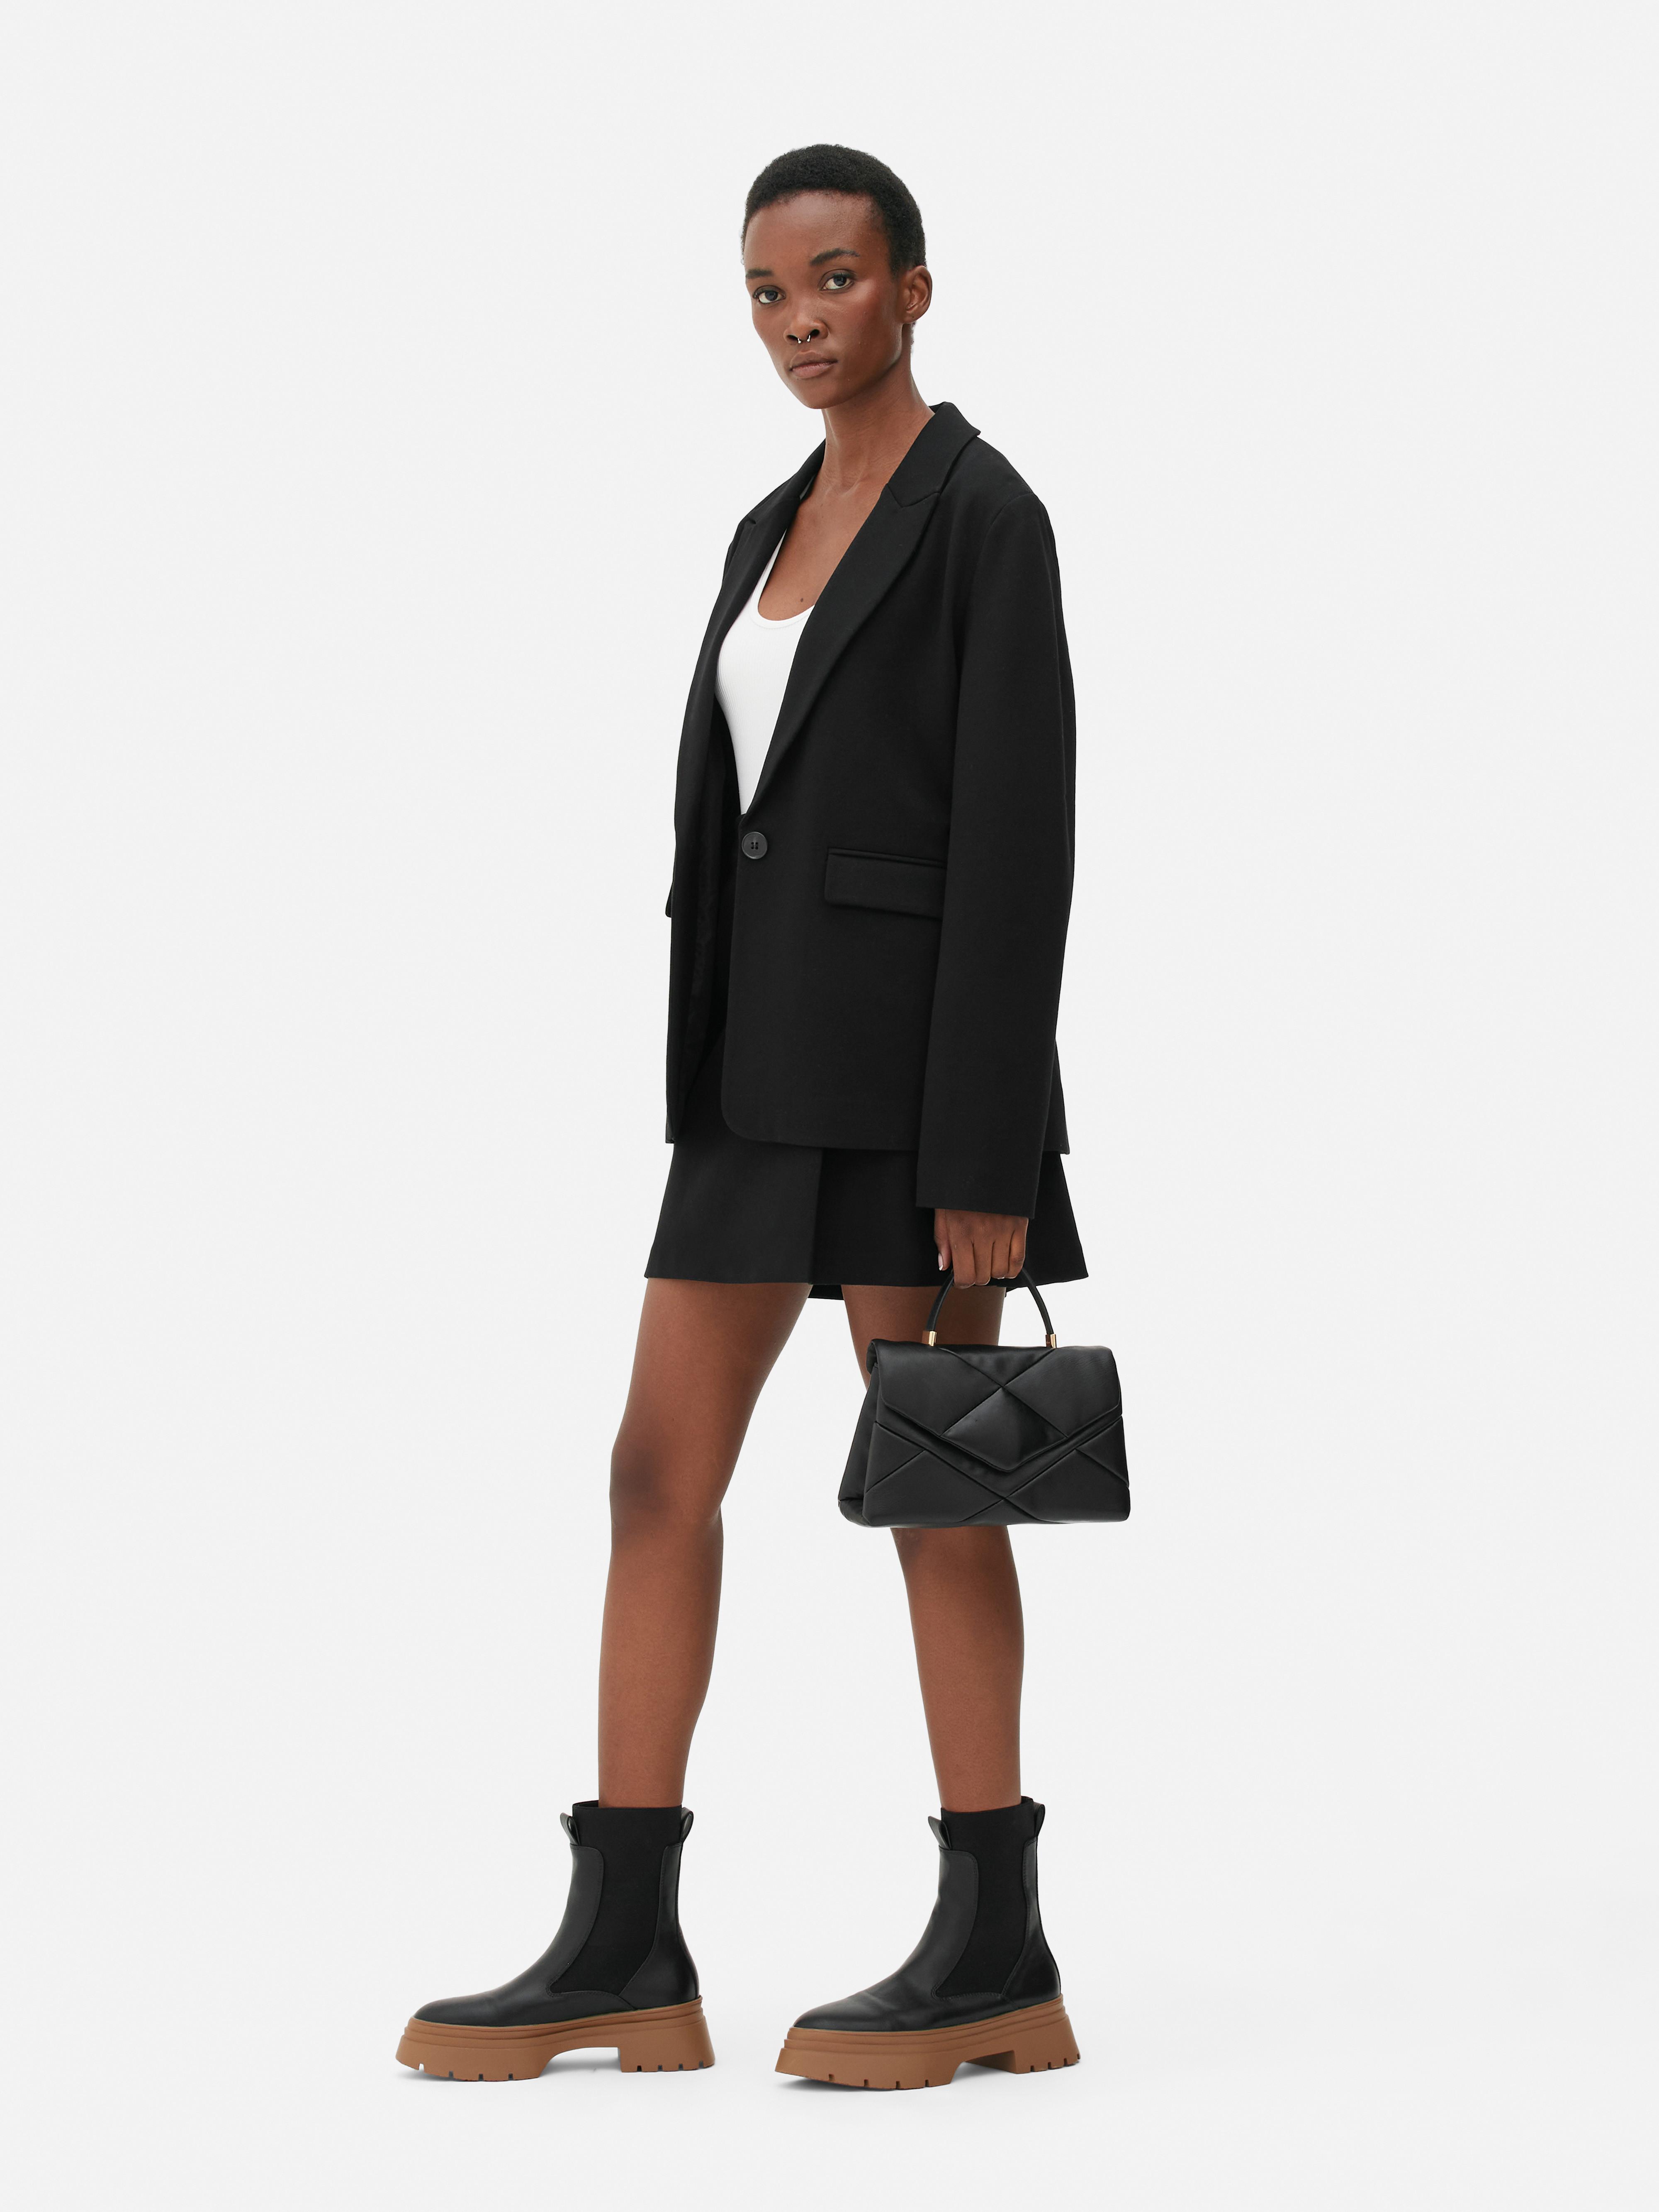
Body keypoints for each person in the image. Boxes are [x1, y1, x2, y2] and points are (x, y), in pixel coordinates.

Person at [396, 143, 1086, 2092]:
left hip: (910, 1093)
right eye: (769, 292)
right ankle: (626, 1939)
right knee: (653, 1476)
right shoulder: (764, 523)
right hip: (748, 1086)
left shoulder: (986, 516)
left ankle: (995, 1948)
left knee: (934, 1491)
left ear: (914, 289)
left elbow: (1019, 845)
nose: (800, 322)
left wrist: (983, 1155)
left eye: (836, 279)